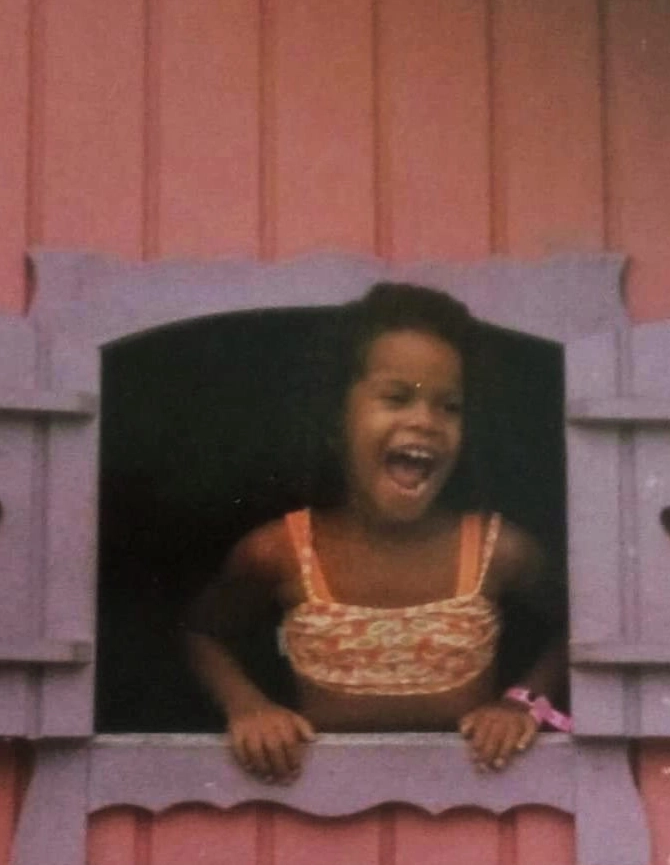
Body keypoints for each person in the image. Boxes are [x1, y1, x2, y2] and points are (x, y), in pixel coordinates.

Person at [184, 282, 567, 782]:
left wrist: (523, 703)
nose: (425, 421)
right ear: (335, 419)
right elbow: (201, 634)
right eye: (395, 398)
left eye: (448, 406)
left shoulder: (499, 550)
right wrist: (249, 708)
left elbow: (581, 628)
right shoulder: (281, 550)